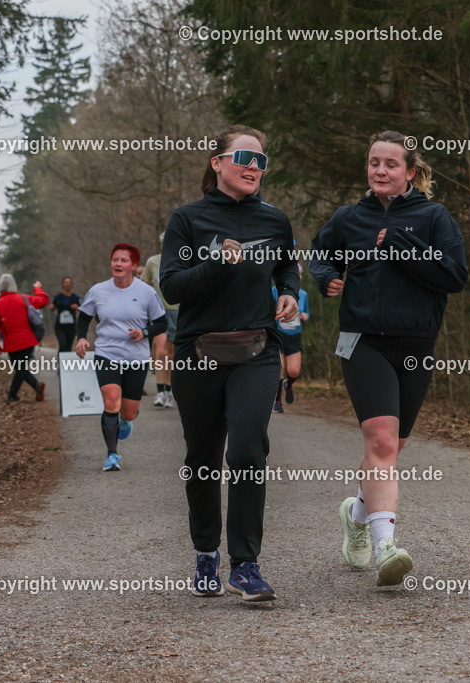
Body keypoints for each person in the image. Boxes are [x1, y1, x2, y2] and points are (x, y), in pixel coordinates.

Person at [309, 130, 468, 587]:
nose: (380, 170)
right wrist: (325, 279)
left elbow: (454, 276)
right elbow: (320, 256)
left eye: (391, 164)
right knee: (380, 442)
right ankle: (386, 548)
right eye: (374, 163)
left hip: (416, 344)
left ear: (410, 173)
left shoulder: (434, 217)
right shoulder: (347, 218)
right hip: (363, 341)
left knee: (392, 450)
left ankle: (357, 514)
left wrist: (398, 244)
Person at [160, 125, 299, 602]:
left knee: (246, 450)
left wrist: (288, 294)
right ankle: (205, 556)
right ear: (217, 162)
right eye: (244, 157)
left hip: (257, 352)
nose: (253, 167)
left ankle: (245, 564)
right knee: (202, 458)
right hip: (198, 354)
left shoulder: (276, 220)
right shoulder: (187, 219)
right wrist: (217, 262)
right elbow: (172, 289)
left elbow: (286, 265)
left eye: (261, 160)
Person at [74, 243, 166, 472]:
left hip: (137, 357)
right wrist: (81, 338)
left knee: (129, 412)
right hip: (107, 352)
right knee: (110, 401)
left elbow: (162, 323)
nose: (118, 264)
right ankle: (112, 455)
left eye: (124, 260)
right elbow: (84, 317)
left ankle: (124, 420)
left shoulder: (146, 292)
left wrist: (144, 332)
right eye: (115, 260)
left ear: (134, 266)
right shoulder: (98, 291)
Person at [0, 274, 49, 404]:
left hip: (11, 344)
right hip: (27, 341)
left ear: (0, 287)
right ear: (13, 285)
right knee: (21, 369)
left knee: (20, 368)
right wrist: (37, 288)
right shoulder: (24, 298)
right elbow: (43, 301)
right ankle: (36, 387)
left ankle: (12, 395)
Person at [142, 235, 178, 408]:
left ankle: (169, 391)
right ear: (162, 244)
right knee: (161, 351)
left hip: (179, 311)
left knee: (171, 354)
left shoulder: (183, 259)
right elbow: (143, 284)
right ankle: (160, 392)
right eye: (165, 242)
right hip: (159, 311)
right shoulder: (152, 261)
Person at [271, 269, 309, 413]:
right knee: (280, 370)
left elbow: (307, 312)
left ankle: (289, 385)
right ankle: (278, 401)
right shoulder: (274, 291)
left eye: (299, 274)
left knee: (294, 372)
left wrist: (305, 317)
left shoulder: (304, 294)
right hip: (278, 334)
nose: (298, 276)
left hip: (294, 336)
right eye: (296, 273)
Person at [51, 277, 82, 353]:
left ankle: (65, 363)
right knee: (63, 344)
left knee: (68, 346)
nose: (68, 284)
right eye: (66, 282)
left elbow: (82, 310)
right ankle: (60, 362)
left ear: (72, 285)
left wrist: (77, 307)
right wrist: (52, 307)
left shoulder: (76, 298)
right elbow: (52, 308)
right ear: (62, 285)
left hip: (71, 326)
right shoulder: (57, 297)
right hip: (60, 326)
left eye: (69, 282)